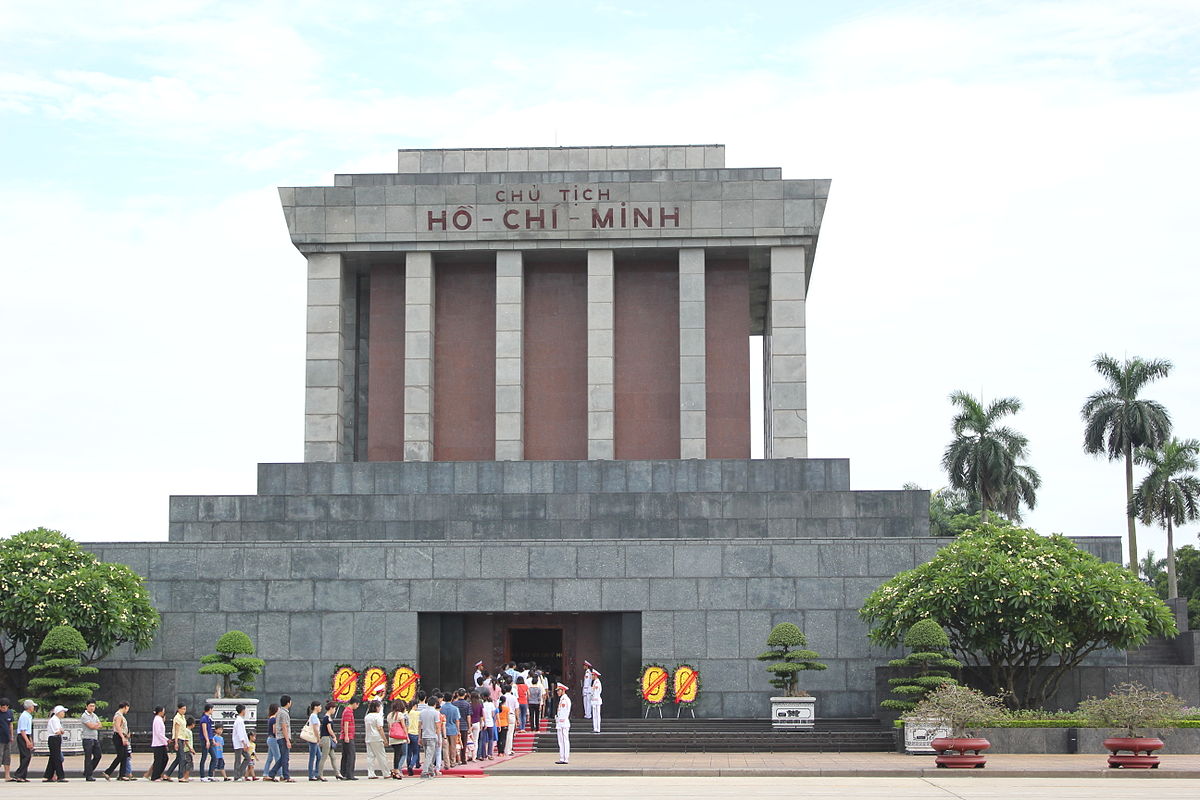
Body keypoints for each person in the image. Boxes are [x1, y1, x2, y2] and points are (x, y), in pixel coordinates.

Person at [102, 701, 132, 781]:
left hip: (122, 736)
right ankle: (108, 772)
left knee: (124, 756)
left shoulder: (120, 715)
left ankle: (122, 775)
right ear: (125, 707)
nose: (128, 710)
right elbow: (118, 727)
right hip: (118, 737)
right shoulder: (118, 715)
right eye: (128, 708)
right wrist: (122, 737)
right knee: (120, 755)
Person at [268, 695, 294, 782]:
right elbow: (284, 727)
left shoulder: (280, 712)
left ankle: (272, 774)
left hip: (280, 737)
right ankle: (286, 776)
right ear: (288, 703)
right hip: (283, 737)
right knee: (285, 758)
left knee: (283, 757)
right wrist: (287, 740)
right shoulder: (283, 713)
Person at [41, 705, 67, 782]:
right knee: (57, 758)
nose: (64, 713)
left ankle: (48, 775)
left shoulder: (57, 720)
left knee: (53, 758)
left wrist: (61, 731)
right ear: (58, 712)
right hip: (54, 739)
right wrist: (61, 731)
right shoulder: (54, 720)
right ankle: (60, 776)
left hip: (56, 739)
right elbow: (58, 731)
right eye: (63, 712)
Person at [418, 695, 441, 778]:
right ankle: (424, 771)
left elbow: (419, 725)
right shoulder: (436, 713)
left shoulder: (422, 712)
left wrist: (419, 737)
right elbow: (437, 726)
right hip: (432, 736)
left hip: (424, 735)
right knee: (430, 755)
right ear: (435, 704)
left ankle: (431, 771)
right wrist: (439, 738)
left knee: (428, 755)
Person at [79, 700, 103, 780]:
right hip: (87, 739)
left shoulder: (94, 715)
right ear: (86, 706)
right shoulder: (84, 716)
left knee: (98, 755)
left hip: (95, 738)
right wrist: (95, 725)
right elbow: (91, 726)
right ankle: (88, 775)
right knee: (88, 757)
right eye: (90, 706)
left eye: (93, 706)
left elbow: (100, 725)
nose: (92, 708)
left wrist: (95, 725)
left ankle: (88, 771)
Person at [363, 700, 386, 778]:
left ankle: (371, 773)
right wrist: (385, 739)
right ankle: (386, 773)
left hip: (368, 738)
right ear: (376, 707)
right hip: (377, 738)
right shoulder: (378, 716)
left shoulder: (367, 716)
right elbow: (380, 728)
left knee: (370, 756)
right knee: (381, 756)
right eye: (379, 707)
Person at [163, 702, 187, 779]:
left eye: (185, 709)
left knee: (178, 759)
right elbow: (176, 731)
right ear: (179, 709)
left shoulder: (183, 717)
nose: (184, 710)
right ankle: (180, 776)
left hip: (182, 739)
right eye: (182, 709)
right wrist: (176, 742)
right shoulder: (177, 718)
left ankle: (167, 774)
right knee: (182, 758)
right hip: (178, 739)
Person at [13, 699, 34, 782]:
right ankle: (18, 774)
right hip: (23, 736)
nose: (33, 708)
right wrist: (27, 741)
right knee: (26, 756)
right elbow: (23, 730)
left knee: (25, 756)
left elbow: (28, 731)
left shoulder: (28, 716)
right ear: (29, 707)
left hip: (27, 736)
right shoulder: (24, 716)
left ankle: (23, 775)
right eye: (32, 706)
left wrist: (30, 740)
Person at [339, 699, 359, 781]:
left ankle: (344, 773)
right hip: (348, 736)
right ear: (354, 703)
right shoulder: (348, 711)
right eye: (357, 705)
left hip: (347, 736)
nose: (357, 707)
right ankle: (349, 774)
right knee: (351, 755)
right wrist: (346, 735)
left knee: (346, 755)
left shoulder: (347, 710)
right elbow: (346, 723)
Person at [386, 701, 407, 779]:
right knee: (398, 754)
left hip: (392, 737)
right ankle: (396, 770)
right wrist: (406, 736)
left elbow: (389, 727)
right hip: (399, 737)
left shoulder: (389, 715)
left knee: (398, 753)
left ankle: (395, 769)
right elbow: (404, 726)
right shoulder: (400, 715)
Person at [319, 700, 337, 780]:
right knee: (324, 757)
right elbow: (329, 730)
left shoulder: (328, 717)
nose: (335, 710)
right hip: (326, 738)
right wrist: (334, 737)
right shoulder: (327, 718)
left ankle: (337, 773)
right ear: (331, 708)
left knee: (333, 757)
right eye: (334, 708)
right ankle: (320, 774)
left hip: (328, 738)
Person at [305, 700, 323, 781]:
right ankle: (311, 775)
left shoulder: (313, 716)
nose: (321, 708)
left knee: (319, 756)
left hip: (314, 739)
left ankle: (316, 773)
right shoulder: (314, 716)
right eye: (319, 706)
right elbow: (315, 729)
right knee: (313, 757)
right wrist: (318, 738)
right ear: (315, 707)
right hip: (313, 739)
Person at [149, 706, 169, 781]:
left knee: (164, 759)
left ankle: (158, 774)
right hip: (158, 743)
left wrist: (165, 741)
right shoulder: (157, 720)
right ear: (160, 712)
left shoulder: (160, 719)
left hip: (161, 743)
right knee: (158, 760)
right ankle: (155, 776)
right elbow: (158, 733)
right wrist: (166, 740)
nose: (164, 712)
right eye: (163, 711)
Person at [231, 704, 250, 781]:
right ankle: (237, 775)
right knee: (238, 760)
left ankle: (239, 773)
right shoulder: (239, 721)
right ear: (242, 711)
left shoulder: (240, 720)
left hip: (241, 743)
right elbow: (240, 733)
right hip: (239, 743)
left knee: (247, 758)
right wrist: (244, 743)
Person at [554, 683, 571, 765]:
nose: (557, 692)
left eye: (559, 690)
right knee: (561, 741)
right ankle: (562, 757)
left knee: (564, 741)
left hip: (563, 723)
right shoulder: (562, 699)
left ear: (563, 690)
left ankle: (565, 758)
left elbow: (564, 713)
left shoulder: (565, 700)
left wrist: (560, 722)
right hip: (561, 723)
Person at [197, 704, 214, 781]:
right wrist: (207, 740)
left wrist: (211, 739)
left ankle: (210, 775)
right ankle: (202, 776)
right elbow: (204, 730)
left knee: (214, 757)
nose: (213, 711)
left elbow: (210, 730)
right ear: (209, 709)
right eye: (212, 709)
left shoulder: (209, 718)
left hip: (209, 739)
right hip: (205, 740)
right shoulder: (204, 719)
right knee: (204, 757)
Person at [405, 696, 422, 776]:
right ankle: (411, 765)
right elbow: (419, 724)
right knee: (415, 752)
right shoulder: (417, 713)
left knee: (408, 753)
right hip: (415, 734)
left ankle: (408, 766)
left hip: (407, 734)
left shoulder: (406, 713)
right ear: (415, 705)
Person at [263, 703, 279, 778]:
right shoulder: (274, 719)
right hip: (274, 739)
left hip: (269, 739)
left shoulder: (270, 718)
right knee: (278, 757)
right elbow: (274, 730)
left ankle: (265, 773)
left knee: (269, 758)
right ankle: (281, 774)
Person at [178, 716, 195, 782]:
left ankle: (186, 776)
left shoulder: (187, 731)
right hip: (187, 750)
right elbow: (186, 741)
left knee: (187, 763)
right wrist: (191, 748)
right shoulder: (187, 731)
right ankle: (185, 777)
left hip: (187, 749)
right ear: (192, 724)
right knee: (188, 763)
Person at [0, 698, 13, 783]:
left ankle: (7, 775)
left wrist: (11, 736)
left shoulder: (9, 712)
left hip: (7, 738)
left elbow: (10, 724)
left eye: (6, 707)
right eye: (3, 707)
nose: (4, 709)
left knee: (7, 757)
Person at [590, 669, 603, 733]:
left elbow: (596, 692)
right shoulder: (595, 682)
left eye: (592, 675)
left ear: (595, 675)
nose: (591, 676)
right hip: (594, 701)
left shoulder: (597, 682)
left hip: (596, 701)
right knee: (594, 715)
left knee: (597, 715)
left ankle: (598, 728)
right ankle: (595, 728)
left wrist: (593, 698)